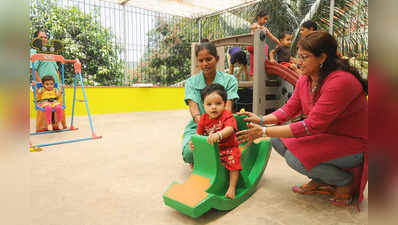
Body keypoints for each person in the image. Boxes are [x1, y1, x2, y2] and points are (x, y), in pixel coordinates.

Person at [236, 31, 368, 207]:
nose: (298, 62)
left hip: (354, 145)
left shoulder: (340, 81)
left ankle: (344, 181)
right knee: (277, 140)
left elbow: (311, 126)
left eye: (304, 57)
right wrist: (261, 120)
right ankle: (322, 179)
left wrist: (264, 131)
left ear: (322, 58)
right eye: (298, 56)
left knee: (295, 158)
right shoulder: (305, 80)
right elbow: (290, 108)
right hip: (327, 137)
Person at [182, 40, 239, 167]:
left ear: (217, 59)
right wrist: (202, 135)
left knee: (227, 151)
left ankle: (205, 158)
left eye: (209, 59)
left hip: (223, 126)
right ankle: (200, 157)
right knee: (189, 154)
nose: (205, 64)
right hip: (199, 126)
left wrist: (219, 132)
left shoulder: (230, 80)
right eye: (201, 60)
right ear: (197, 62)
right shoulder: (191, 82)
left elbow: (228, 109)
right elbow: (194, 109)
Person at [195, 83, 241, 199]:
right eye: (209, 104)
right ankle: (202, 181)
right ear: (203, 105)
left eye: (218, 103)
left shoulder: (227, 115)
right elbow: (198, 135)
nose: (213, 107)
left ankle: (232, 187)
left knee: (233, 161)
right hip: (213, 149)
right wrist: (194, 143)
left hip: (228, 147)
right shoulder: (203, 119)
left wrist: (219, 134)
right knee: (201, 160)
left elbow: (230, 129)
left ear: (225, 104)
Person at [30, 28, 66, 131]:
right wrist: (40, 84)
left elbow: (57, 69)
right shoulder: (35, 51)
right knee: (46, 106)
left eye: (46, 37)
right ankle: (44, 127)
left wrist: (58, 83)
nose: (44, 39)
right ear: (35, 39)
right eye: (41, 37)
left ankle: (58, 125)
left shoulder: (50, 52)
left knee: (58, 105)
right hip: (44, 85)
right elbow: (33, 69)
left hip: (54, 84)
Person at [247, 10, 280, 76]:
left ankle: (252, 73)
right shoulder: (255, 24)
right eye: (264, 19)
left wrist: (279, 42)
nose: (266, 21)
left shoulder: (265, 28)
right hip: (252, 46)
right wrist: (258, 27)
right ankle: (265, 60)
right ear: (259, 18)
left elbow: (272, 36)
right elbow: (251, 27)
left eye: (267, 19)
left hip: (257, 48)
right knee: (265, 46)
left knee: (253, 58)